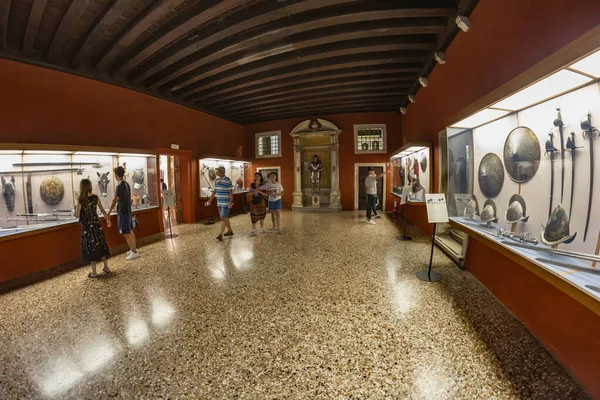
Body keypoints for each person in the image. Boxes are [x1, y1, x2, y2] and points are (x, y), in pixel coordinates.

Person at [75, 178, 111, 278]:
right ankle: (106, 267)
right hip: (96, 224)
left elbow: (77, 215)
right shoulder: (95, 197)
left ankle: (94, 272)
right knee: (101, 243)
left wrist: (76, 210)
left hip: (87, 226)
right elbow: (103, 211)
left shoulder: (81, 199)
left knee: (90, 246)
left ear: (82, 187)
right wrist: (107, 217)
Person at [108, 166, 139, 260]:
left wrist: (109, 211)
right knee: (130, 230)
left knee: (126, 232)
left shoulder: (119, 186)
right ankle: (133, 249)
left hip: (123, 212)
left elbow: (115, 200)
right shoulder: (127, 184)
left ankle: (134, 252)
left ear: (116, 175)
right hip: (128, 211)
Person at [207, 166, 234, 241]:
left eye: (218, 171)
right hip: (219, 202)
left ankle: (220, 234)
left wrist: (231, 201)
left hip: (226, 202)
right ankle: (230, 230)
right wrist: (210, 200)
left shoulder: (228, 180)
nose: (217, 172)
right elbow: (215, 191)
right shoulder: (217, 180)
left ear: (222, 172)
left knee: (223, 217)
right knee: (223, 218)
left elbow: (230, 192)